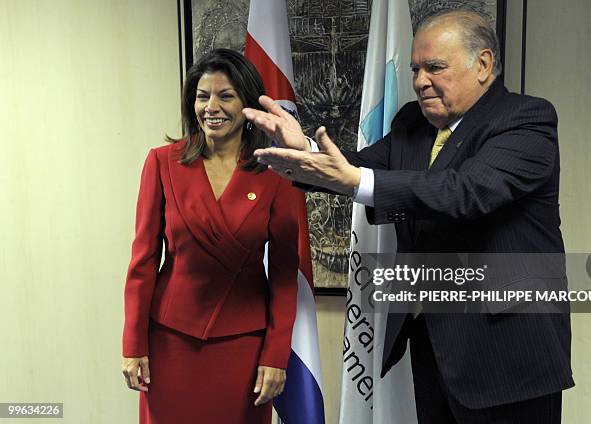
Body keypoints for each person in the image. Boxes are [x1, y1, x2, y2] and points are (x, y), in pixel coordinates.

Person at [244, 10, 573, 424]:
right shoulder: (411, 124)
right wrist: (305, 150)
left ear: (484, 65)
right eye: (416, 68)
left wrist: (355, 180)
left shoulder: (526, 120)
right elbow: (354, 167)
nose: (419, 81)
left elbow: (464, 192)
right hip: (434, 345)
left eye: (435, 67)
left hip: (509, 356)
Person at [121, 48, 300, 424]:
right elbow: (143, 262)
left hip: (245, 346)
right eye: (203, 96)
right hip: (170, 341)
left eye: (225, 96)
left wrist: (276, 354)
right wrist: (133, 344)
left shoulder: (277, 171)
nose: (211, 107)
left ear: (248, 106)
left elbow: (284, 276)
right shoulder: (161, 162)